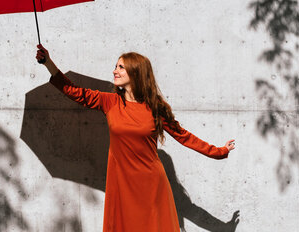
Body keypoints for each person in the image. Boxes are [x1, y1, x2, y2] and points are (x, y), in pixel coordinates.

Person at [35, 44, 235, 232]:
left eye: (121, 67)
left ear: (135, 72)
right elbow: (75, 92)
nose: (115, 70)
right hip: (121, 186)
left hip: (152, 184)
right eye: (115, 66)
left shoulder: (155, 107)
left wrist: (219, 151)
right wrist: (48, 63)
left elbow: (184, 136)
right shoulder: (110, 102)